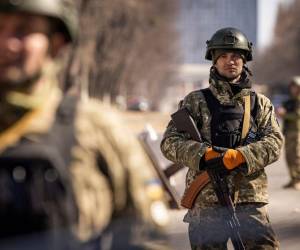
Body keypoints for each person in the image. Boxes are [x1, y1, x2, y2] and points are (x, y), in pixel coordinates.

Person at [0, 0, 169, 249]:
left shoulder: (98, 129)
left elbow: (148, 236)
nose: (6, 43)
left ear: (56, 44)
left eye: (23, 31)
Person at [161, 27, 283, 249]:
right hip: (206, 205)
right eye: (223, 56)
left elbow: (274, 143)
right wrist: (203, 155)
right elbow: (169, 142)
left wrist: (240, 156)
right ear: (214, 61)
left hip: (250, 202)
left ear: (244, 60)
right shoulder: (195, 101)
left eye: (236, 56)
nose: (230, 61)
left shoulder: (260, 103)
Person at [276, 77, 300, 190]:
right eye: (292, 86)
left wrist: (284, 114)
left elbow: (297, 116)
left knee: (296, 157)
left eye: (296, 86)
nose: (294, 89)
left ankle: (298, 180)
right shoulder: (290, 101)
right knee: (289, 157)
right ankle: (293, 179)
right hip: (289, 132)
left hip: (297, 133)